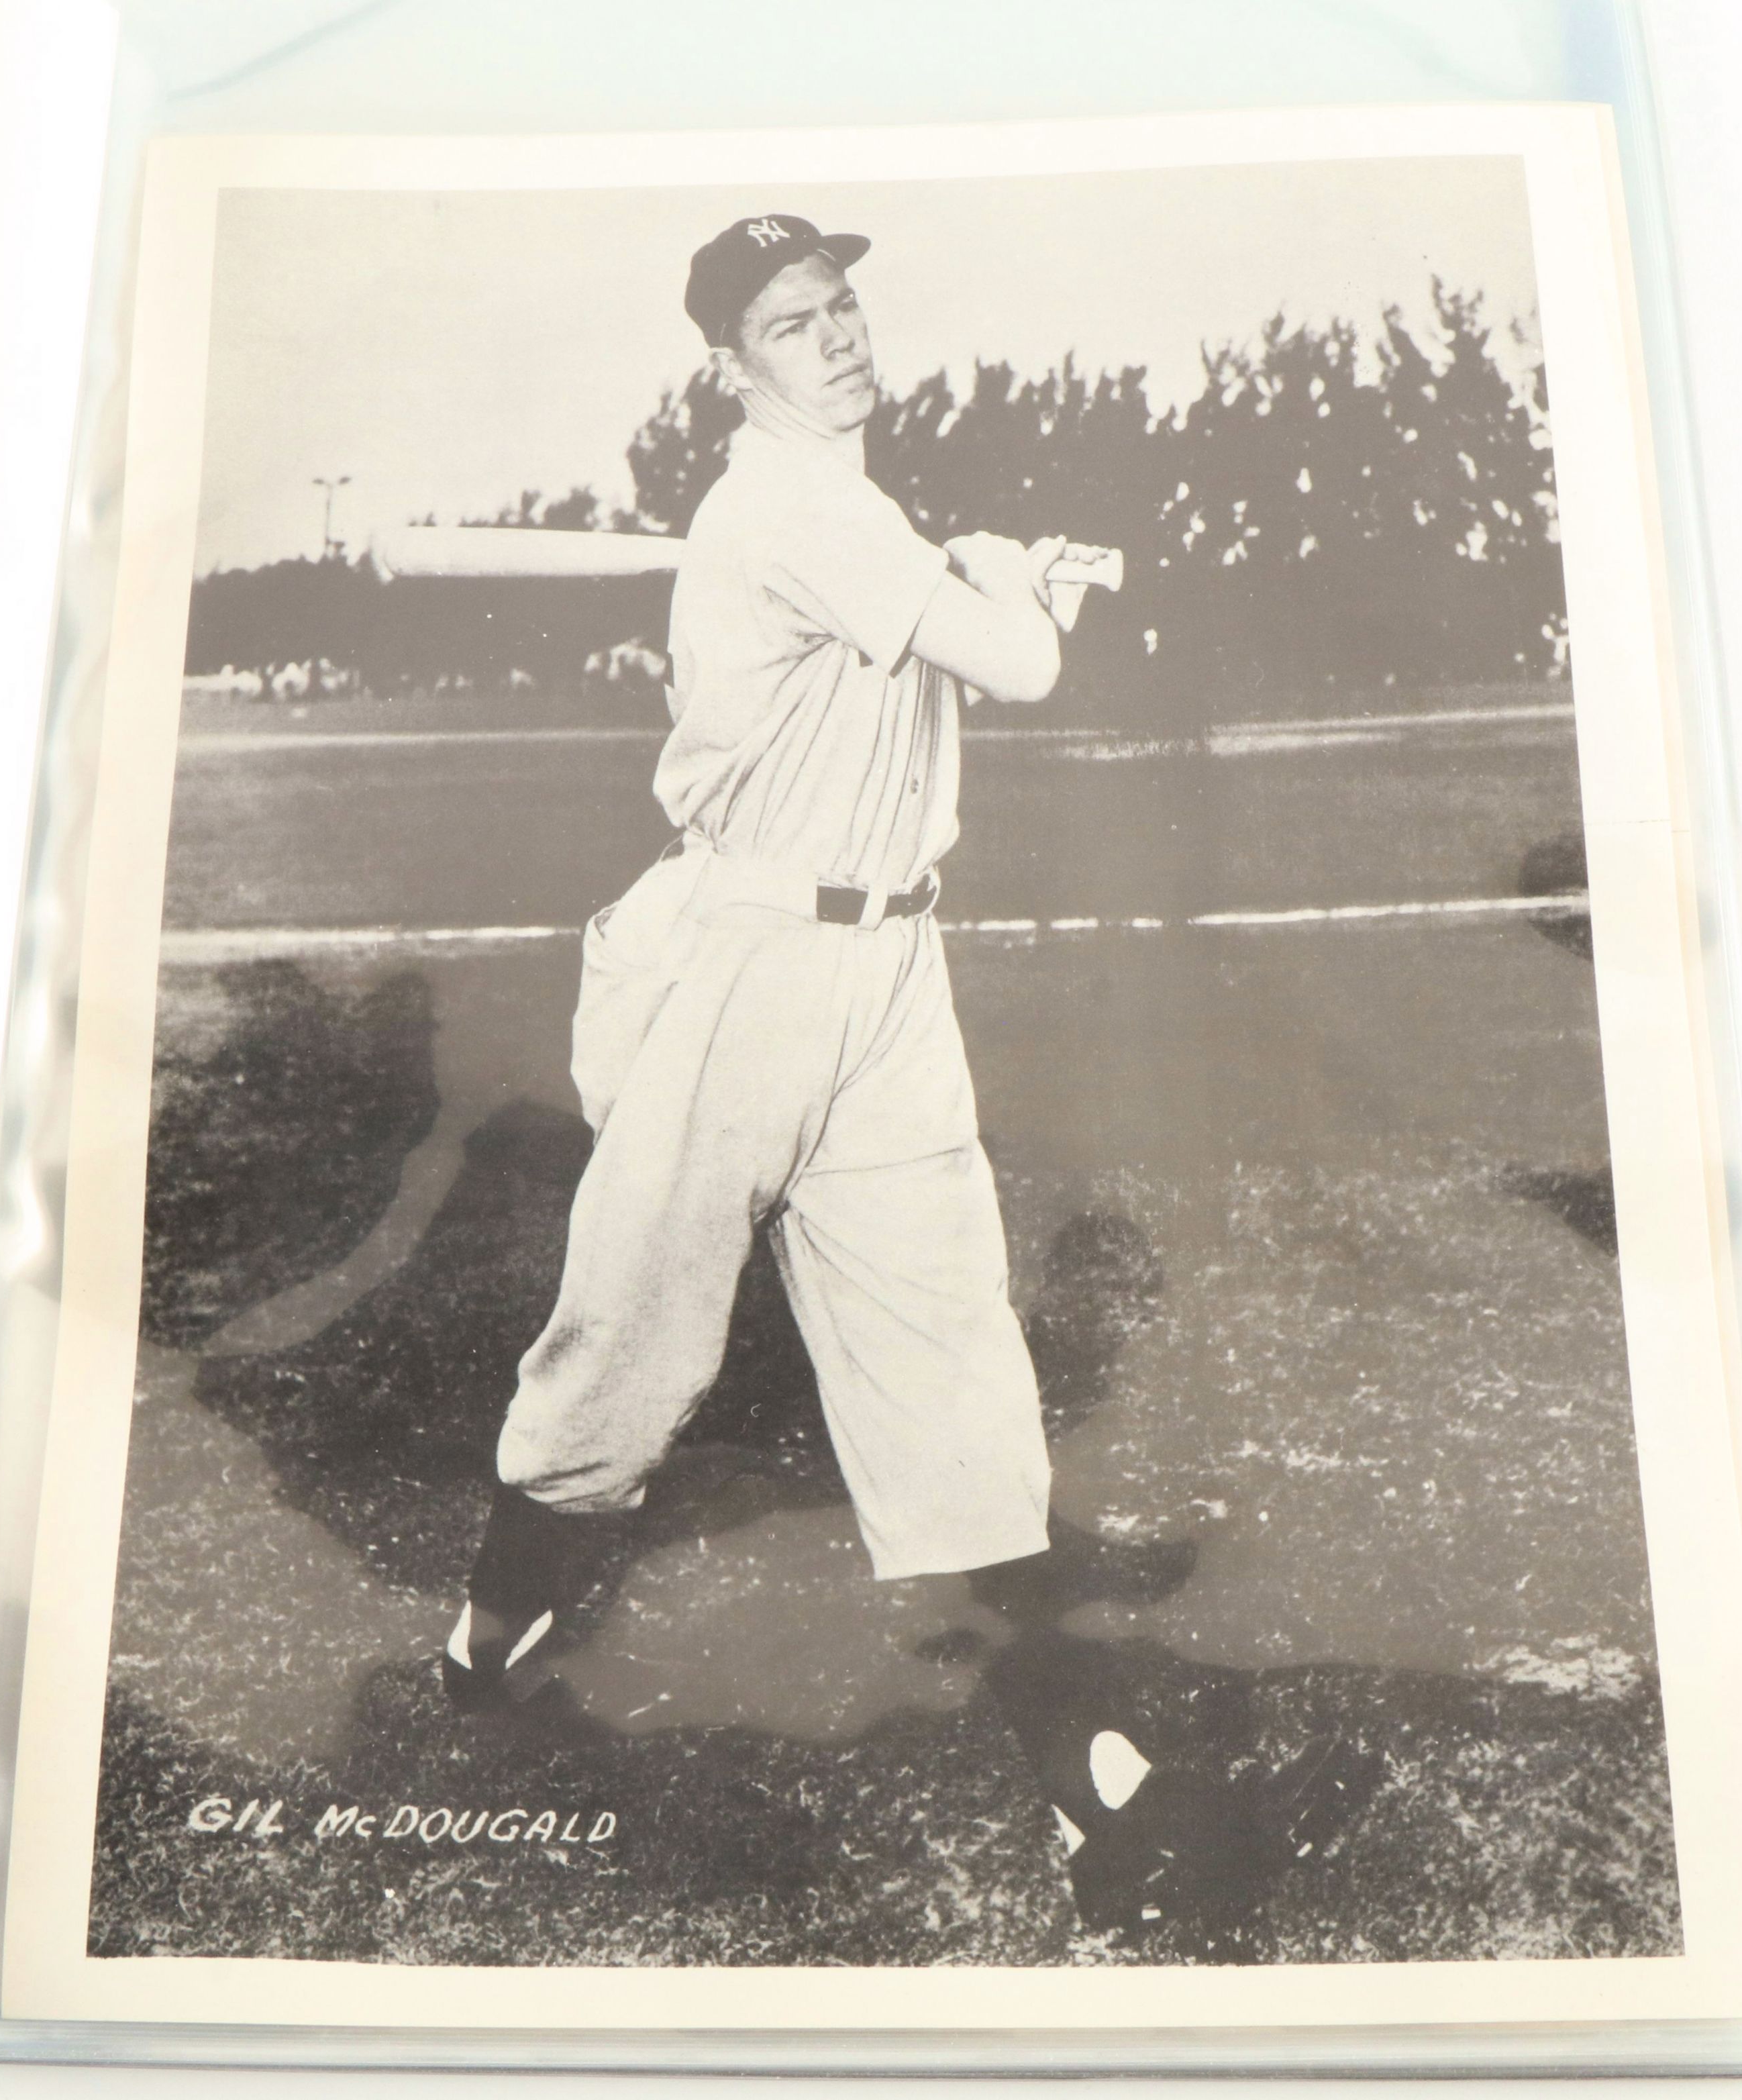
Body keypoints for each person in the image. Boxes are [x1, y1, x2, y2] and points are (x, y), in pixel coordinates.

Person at [442, 215, 1373, 1939]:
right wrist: (1014, 580)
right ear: (735, 367)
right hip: (741, 970)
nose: (836, 336)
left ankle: (1094, 1782)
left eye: (842, 306)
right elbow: (1014, 664)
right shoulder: (784, 508)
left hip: (884, 978)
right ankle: (495, 1625)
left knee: (955, 1365)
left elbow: (953, 637)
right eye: (792, 325)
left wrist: (983, 565)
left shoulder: (845, 513)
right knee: (616, 1365)